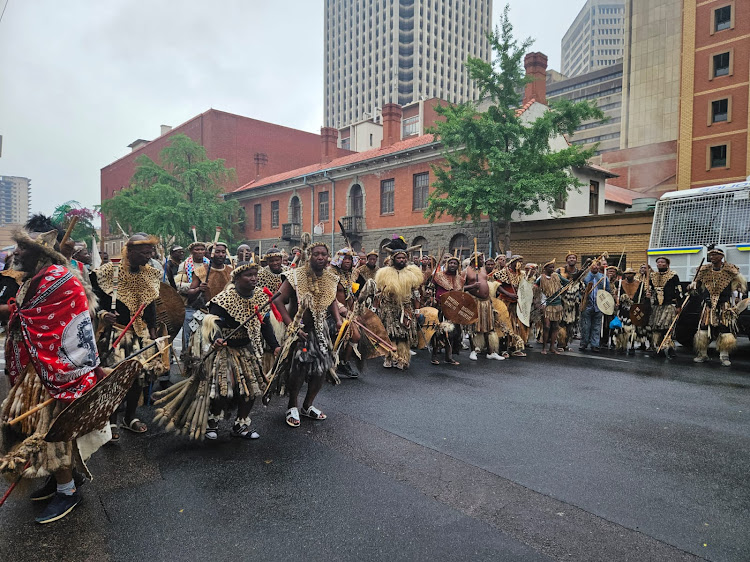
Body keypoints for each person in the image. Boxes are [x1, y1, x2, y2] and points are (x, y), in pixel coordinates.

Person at [0, 229, 105, 524]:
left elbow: (64, 322)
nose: (16, 252)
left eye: (22, 248)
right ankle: (62, 480)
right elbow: (25, 315)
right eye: (18, 247)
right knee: (37, 430)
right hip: (36, 368)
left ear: (41, 253)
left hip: (57, 369)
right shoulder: (36, 278)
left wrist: (18, 316)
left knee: (52, 434)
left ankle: (67, 490)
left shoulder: (58, 278)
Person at [90, 234, 166, 438]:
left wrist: (153, 333)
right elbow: (94, 300)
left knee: (138, 379)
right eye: (144, 253)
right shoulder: (107, 272)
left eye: (150, 253)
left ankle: (130, 417)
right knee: (114, 378)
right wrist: (103, 314)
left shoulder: (150, 274)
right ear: (130, 251)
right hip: (116, 333)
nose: (149, 257)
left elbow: (150, 306)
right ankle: (111, 421)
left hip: (140, 333)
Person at [204, 261, 280, 439]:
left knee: (251, 389)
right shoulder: (223, 299)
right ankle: (212, 422)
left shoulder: (260, 297)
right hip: (226, 350)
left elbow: (265, 324)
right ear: (236, 278)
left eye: (255, 275)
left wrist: (275, 345)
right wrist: (216, 340)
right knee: (225, 386)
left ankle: (241, 425)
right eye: (248, 275)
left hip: (247, 349)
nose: (253, 278)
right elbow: (211, 323)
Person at [273, 242, 342, 427]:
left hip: (321, 331)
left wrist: (337, 319)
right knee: (299, 370)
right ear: (308, 256)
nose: (320, 257)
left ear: (328, 257)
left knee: (321, 370)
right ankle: (292, 405)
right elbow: (278, 300)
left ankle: (308, 405)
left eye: (324, 254)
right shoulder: (295, 276)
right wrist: (292, 326)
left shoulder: (331, 278)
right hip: (300, 332)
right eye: (316, 254)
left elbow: (332, 298)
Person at [692, 246, 745, 366]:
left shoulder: (730, 270)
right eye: (710, 255)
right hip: (708, 305)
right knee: (704, 329)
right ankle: (702, 354)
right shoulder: (704, 270)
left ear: (721, 257)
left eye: (715, 255)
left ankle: (724, 356)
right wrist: (693, 286)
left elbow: (739, 287)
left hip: (724, 304)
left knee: (725, 329)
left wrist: (736, 302)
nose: (712, 257)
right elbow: (696, 285)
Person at [375, 238, 423, 370]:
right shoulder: (384, 273)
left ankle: (402, 359)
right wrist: (376, 307)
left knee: (403, 336)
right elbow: (379, 292)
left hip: (406, 309)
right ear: (393, 259)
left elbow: (416, 293)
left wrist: (417, 310)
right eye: (399, 258)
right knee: (390, 334)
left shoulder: (412, 274)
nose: (402, 260)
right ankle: (389, 357)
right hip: (389, 309)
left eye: (404, 258)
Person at [464, 253, 503, 361]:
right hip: (474, 301)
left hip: (486, 302)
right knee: (474, 327)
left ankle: (491, 352)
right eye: (481, 259)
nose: (483, 260)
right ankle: (473, 351)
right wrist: (472, 286)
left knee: (489, 326)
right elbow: (460, 287)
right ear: (474, 260)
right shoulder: (466, 271)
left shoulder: (484, 270)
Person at [175, 241, 210, 351]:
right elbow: (179, 285)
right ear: (191, 252)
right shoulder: (185, 265)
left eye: (202, 249)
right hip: (190, 305)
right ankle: (187, 354)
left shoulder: (209, 264)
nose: (200, 252)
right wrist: (196, 287)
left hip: (206, 306)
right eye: (197, 250)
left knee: (205, 334)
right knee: (189, 331)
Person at [431, 255, 464, 365]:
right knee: (437, 332)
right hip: (440, 307)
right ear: (447, 264)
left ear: (458, 266)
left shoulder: (460, 280)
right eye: (451, 263)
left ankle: (448, 357)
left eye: (455, 263)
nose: (452, 265)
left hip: (453, 309)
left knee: (452, 333)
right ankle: (434, 356)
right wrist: (432, 298)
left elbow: (461, 294)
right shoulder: (438, 276)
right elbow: (431, 288)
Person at [649, 256, 681, 358]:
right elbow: (650, 289)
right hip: (656, 307)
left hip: (669, 305)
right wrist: (648, 294)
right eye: (658, 262)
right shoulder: (652, 276)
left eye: (662, 262)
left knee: (668, 328)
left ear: (667, 264)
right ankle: (659, 349)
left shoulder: (673, 276)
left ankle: (670, 349)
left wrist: (678, 305)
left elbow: (678, 291)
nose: (660, 264)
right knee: (656, 328)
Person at [535, 259, 569, 354]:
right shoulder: (541, 278)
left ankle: (552, 348)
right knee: (546, 326)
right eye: (550, 267)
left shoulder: (557, 276)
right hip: (546, 305)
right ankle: (544, 347)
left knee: (555, 327)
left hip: (557, 305)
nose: (553, 269)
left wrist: (564, 290)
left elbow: (567, 283)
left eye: (553, 267)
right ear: (545, 268)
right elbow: (535, 288)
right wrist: (538, 302)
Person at [186, 241, 233, 309]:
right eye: (217, 252)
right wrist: (199, 289)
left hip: (227, 309)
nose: (221, 254)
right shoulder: (200, 271)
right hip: (207, 310)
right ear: (211, 254)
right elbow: (190, 293)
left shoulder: (231, 271)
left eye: (223, 252)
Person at [556, 252, 585, 349]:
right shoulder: (560, 271)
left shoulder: (579, 272)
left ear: (576, 260)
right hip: (563, 301)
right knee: (562, 322)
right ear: (566, 260)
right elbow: (555, 282)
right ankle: (560, 343)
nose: (572, 259)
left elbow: (582, 286)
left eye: (573, 258)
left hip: (574, 302)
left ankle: (566, 344)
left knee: (571, 323)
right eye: (570, 258)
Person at [579, 260, 610, 352]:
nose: (595, 267)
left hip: (598, 305)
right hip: (587, 304)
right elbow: (586, 282)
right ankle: (584, 343)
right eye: (593, 265)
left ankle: (595, 344)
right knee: (585, 325)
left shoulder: (603, 277)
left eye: (597, 265)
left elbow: (607, 290)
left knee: (597, 326)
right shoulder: (586, 276)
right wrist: (592, 273)